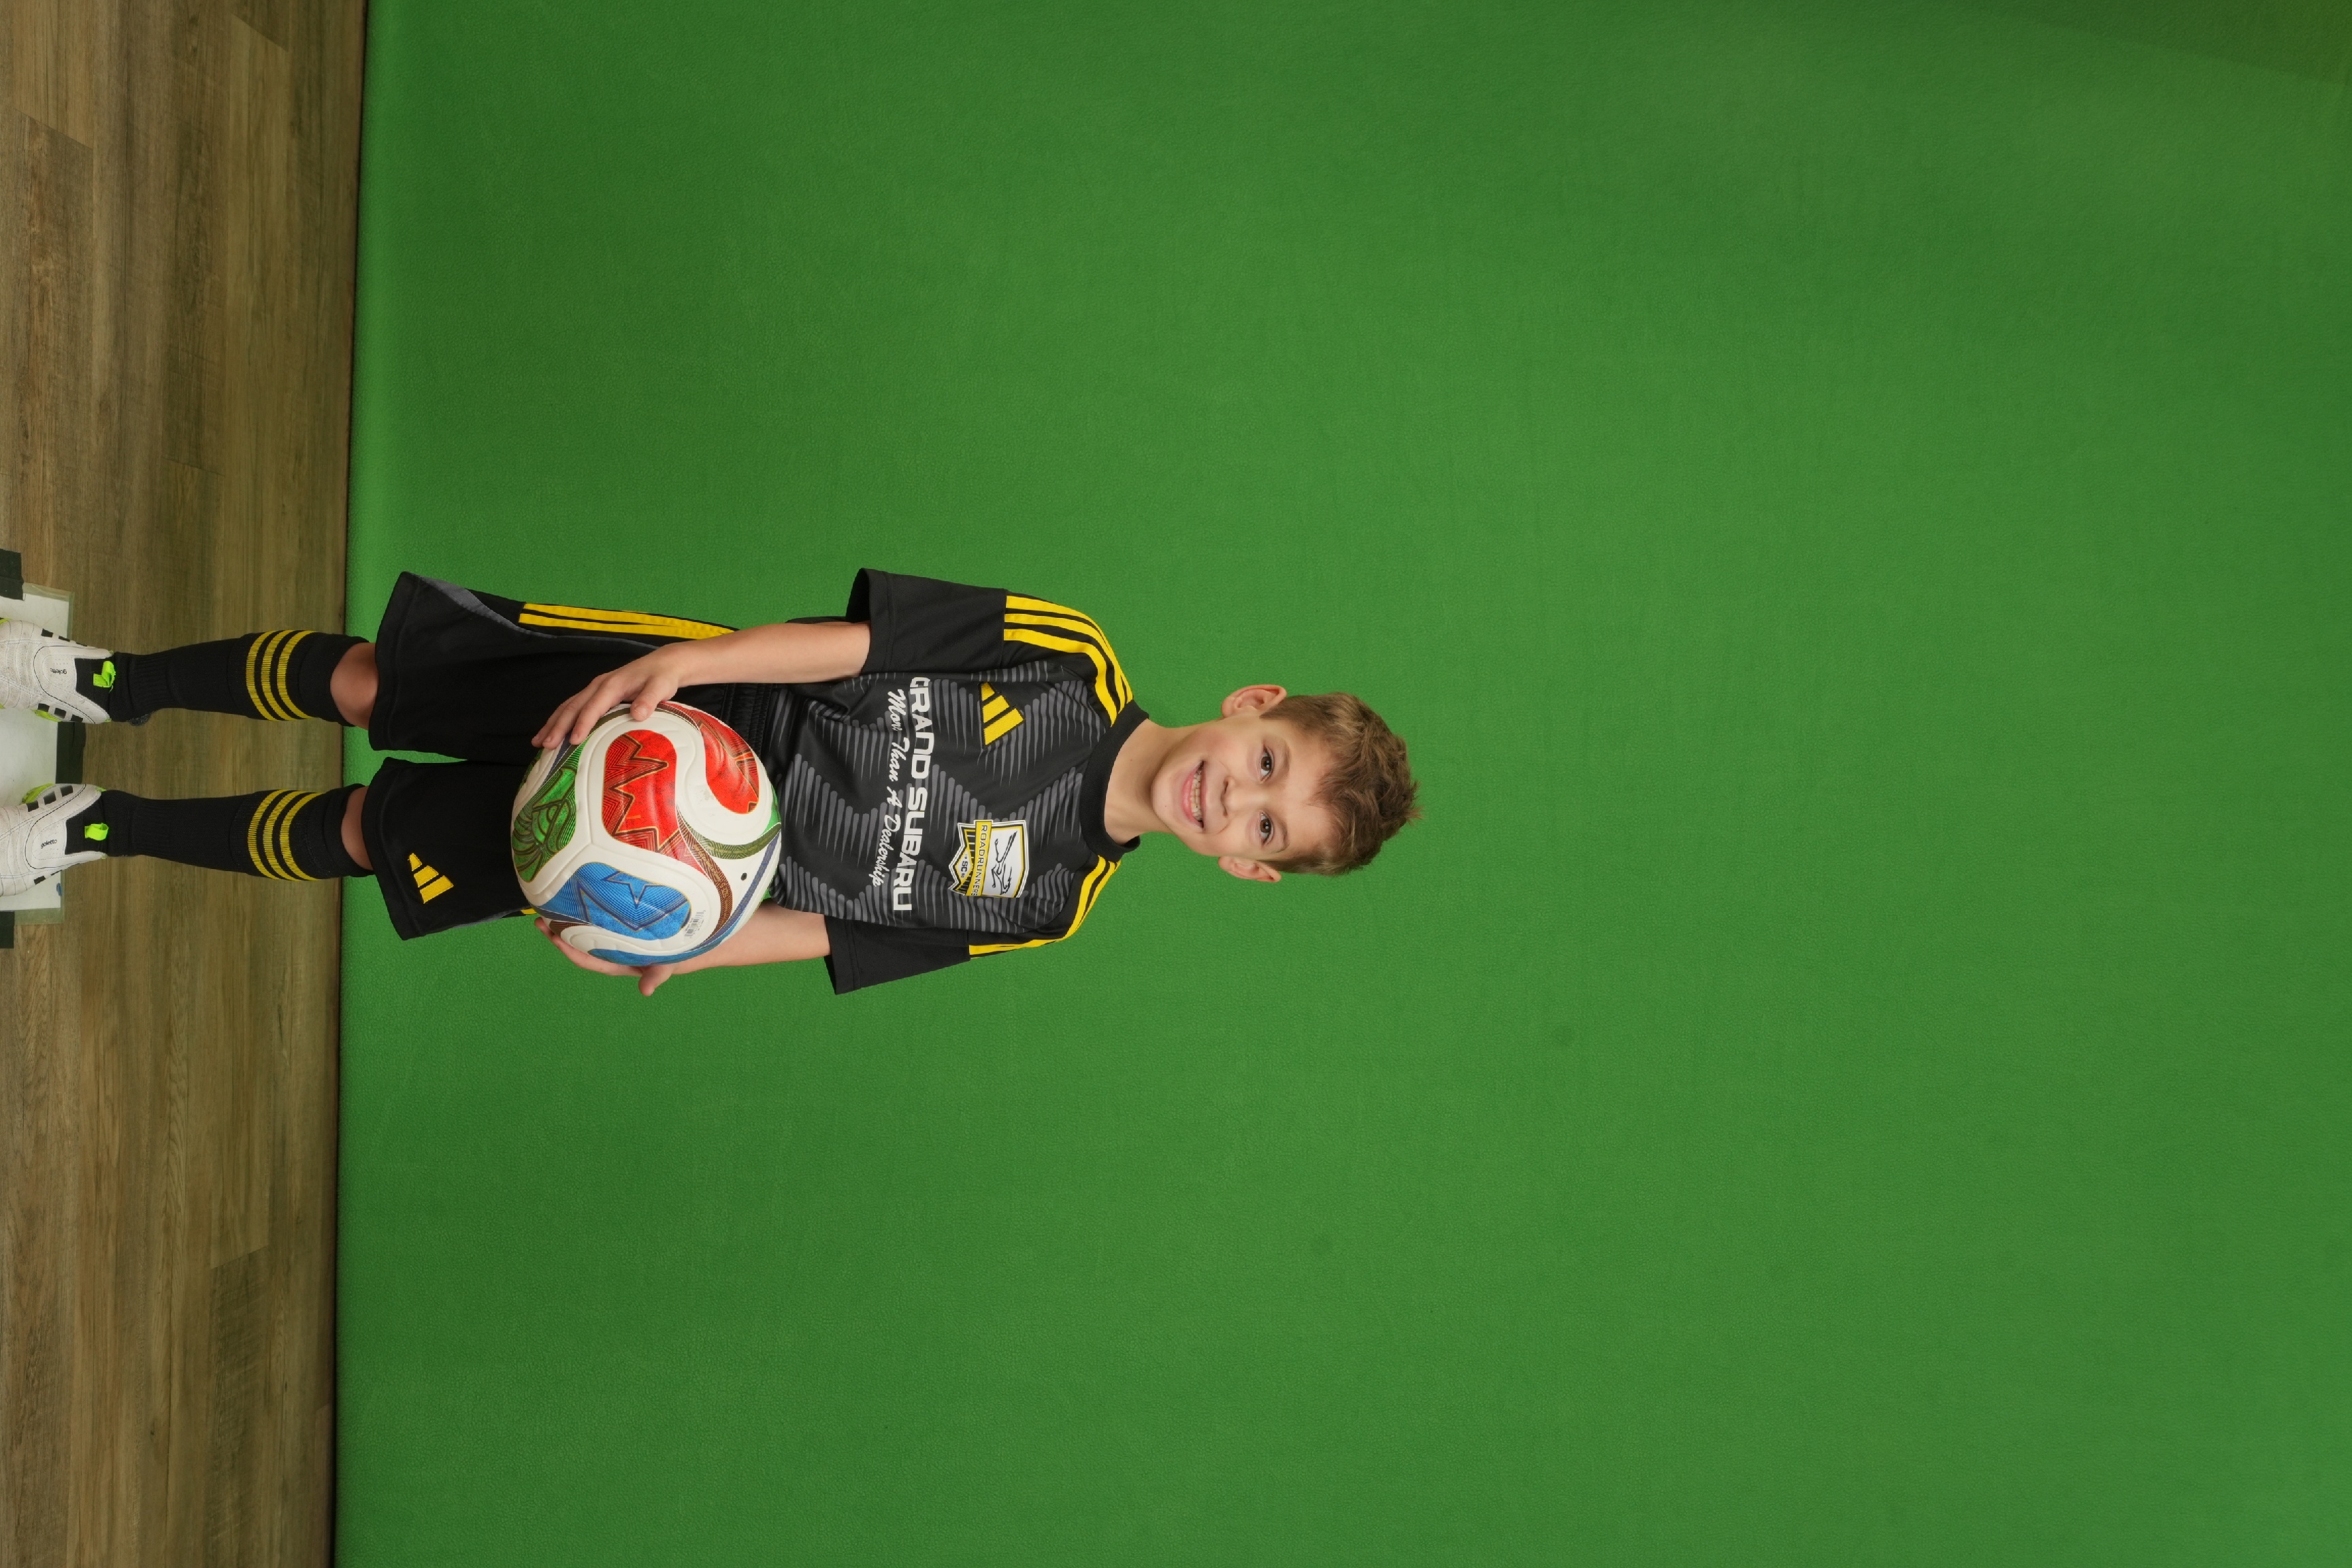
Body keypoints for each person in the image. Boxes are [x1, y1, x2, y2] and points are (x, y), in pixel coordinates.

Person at [0, 571, 1418, 994]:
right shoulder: (1070, 660)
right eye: (1268, 764)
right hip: (673, 709)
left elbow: (835, 932)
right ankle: (101, 679)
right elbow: (864, 644)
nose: (1234, 797)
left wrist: (673, 947)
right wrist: (685, 662)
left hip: (651, 857)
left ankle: (102, 825)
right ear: (1252, 705)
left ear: (1248, 867)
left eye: (1264, 824)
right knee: (382, 683)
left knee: (379, 833)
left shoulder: (1050, 906)